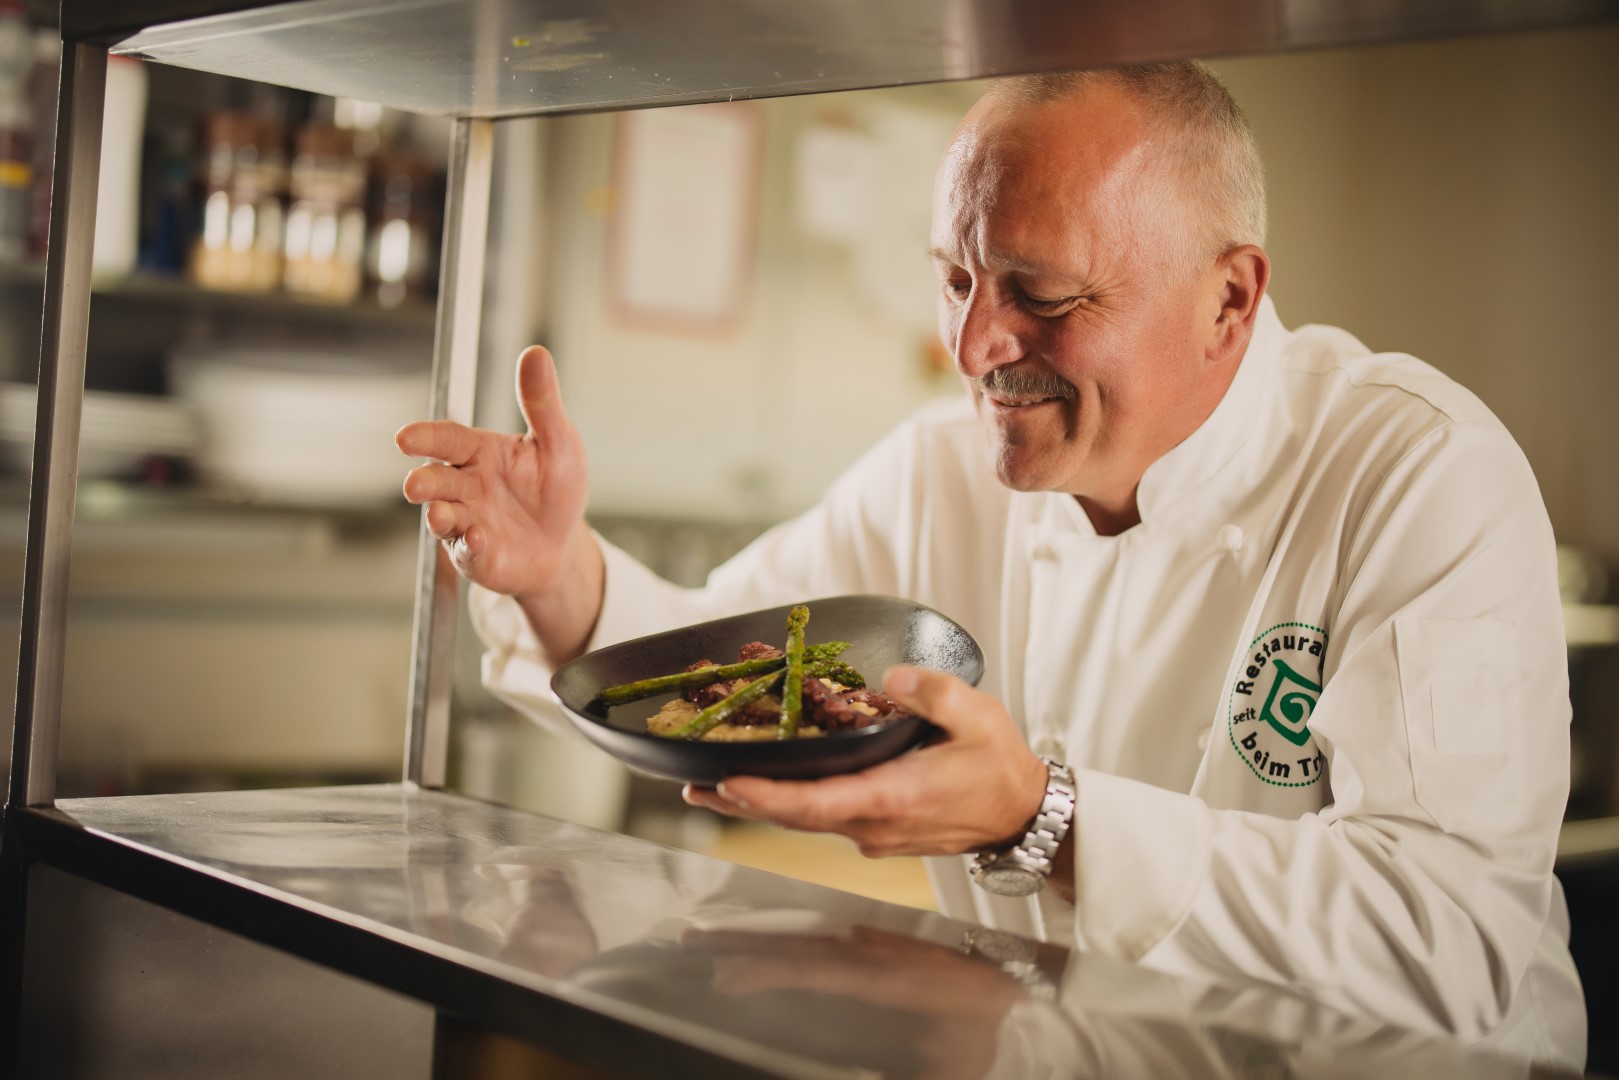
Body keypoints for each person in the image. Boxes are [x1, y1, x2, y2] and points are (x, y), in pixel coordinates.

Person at [396, 62, 1585, 1068]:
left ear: (1227, 297)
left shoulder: (1414, 474)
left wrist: (1045, 820)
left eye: (1040, 292)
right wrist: (554, 572)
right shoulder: (936, 471)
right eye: (956, 278)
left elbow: (1447, 944)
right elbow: (721, 664)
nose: (970, 347)